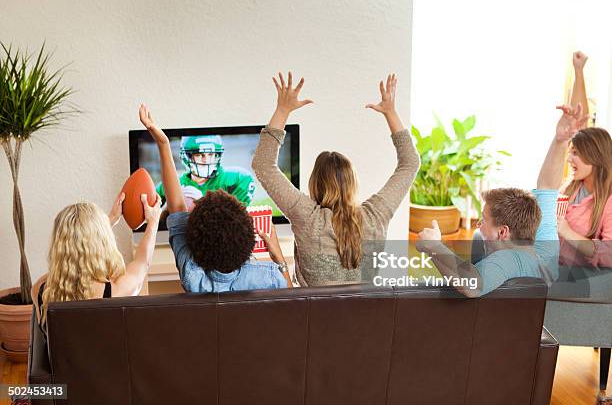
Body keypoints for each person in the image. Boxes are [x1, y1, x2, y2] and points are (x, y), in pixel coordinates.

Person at [251, 72, 420, 286]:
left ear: (315, 184)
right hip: (366, 317)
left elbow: (263, 165)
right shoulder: (375, 216)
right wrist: (391, 113)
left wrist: (282, 109)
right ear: (353, 183)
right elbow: (410, 163)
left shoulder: (307, 216)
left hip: (313, 318)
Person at [414, 105, 594, 297]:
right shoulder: (545, 249)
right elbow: (548, 187)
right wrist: (561, 141)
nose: (479, 224)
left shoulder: (507, 260)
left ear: (503, 231)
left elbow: (472, 287)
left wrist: (434, 246)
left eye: (483, 219)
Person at [139, 104, 289, 292]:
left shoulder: (192, 278)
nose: (205, 158)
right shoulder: (269, 277)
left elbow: (177, 209)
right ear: (250, 240)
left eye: (210, 154)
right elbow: (291, 299)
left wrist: (163, 144)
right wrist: (279, 258)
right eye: (200, 154)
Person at [539, 52, 612, 270]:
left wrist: (568, 232)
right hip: (552, 266)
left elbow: (609, 254)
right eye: (571, 152)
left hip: (574, 278)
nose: (569, 158)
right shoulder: (571, 187)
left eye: (576, 154)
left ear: (596, 157)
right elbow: (576, 127)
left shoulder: (607, 202)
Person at [41, 192, 161, 323]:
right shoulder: (114, 293)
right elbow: (142, 262)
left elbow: (70, 259)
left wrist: (111, 218)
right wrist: (153, 223)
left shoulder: (40, 291)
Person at [155, 134, 256, 208]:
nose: (206, 160)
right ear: (188, 157)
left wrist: (204, 202)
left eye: (211, 154)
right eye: (199, 155)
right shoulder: (172, 184)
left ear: (217, 156)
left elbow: (235, 220)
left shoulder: (238, 178)